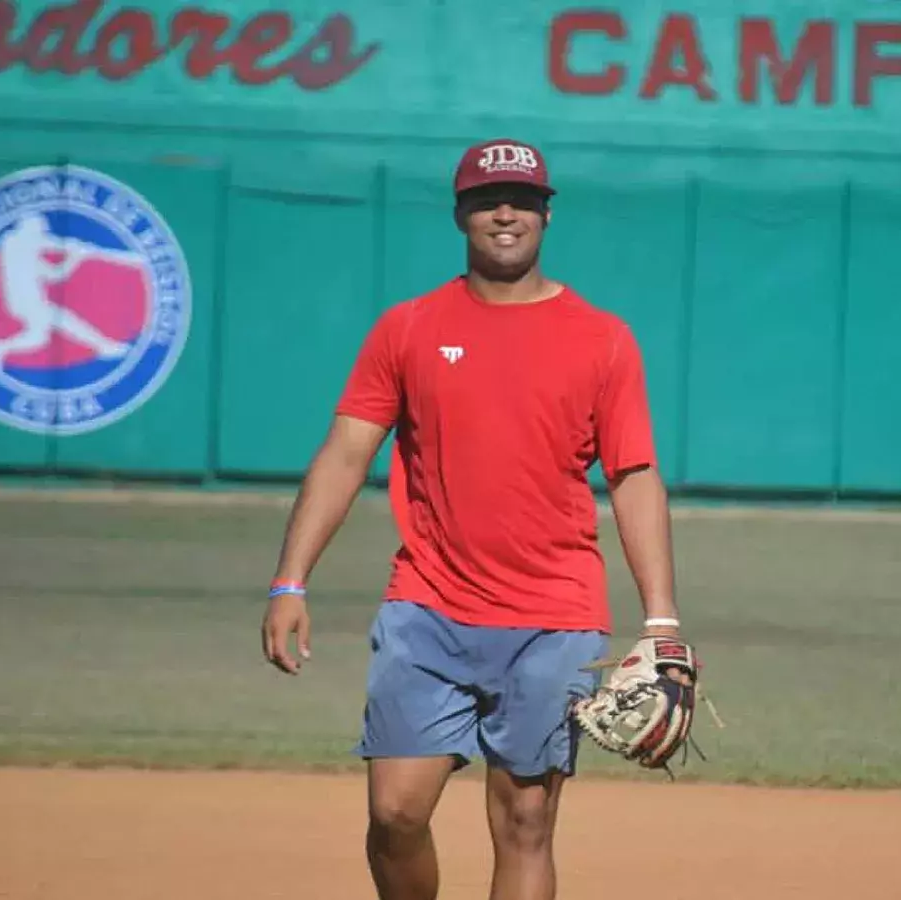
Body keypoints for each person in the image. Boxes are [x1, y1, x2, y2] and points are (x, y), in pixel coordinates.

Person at [259, 138, 682, 900]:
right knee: (394, 812)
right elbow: (346, 453)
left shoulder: (602, 338)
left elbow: (634, 477)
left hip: (554, 616)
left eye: (523, 198)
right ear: (461, 213)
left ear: (547, 214)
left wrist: (661, 624)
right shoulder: (409, 328)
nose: (506, 213)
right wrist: (290, 582)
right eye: (488, 199)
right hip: (428, 608)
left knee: (524, 821)